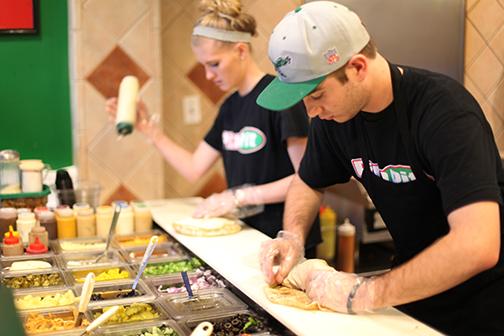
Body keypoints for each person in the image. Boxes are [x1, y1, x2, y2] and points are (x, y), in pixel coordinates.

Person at [257, 1, 504, 335]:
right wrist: (293, 237)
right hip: (411, 297)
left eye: (316, 94)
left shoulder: (443, 113)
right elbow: (308, 181)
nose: (311, 111)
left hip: (482, 305)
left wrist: (367, 292)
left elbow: (478, 244)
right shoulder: (335, 116)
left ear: (358, 67)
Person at [106, 0, 321, 256]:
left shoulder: (279, 98)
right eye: (204, 66)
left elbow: (307, 178)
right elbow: (194, 168)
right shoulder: (229, 107)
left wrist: (238, 197)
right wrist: (150, 131)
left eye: (214, 64)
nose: (208, 75)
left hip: (289, 240)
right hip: (249, 236)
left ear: (241, 51)